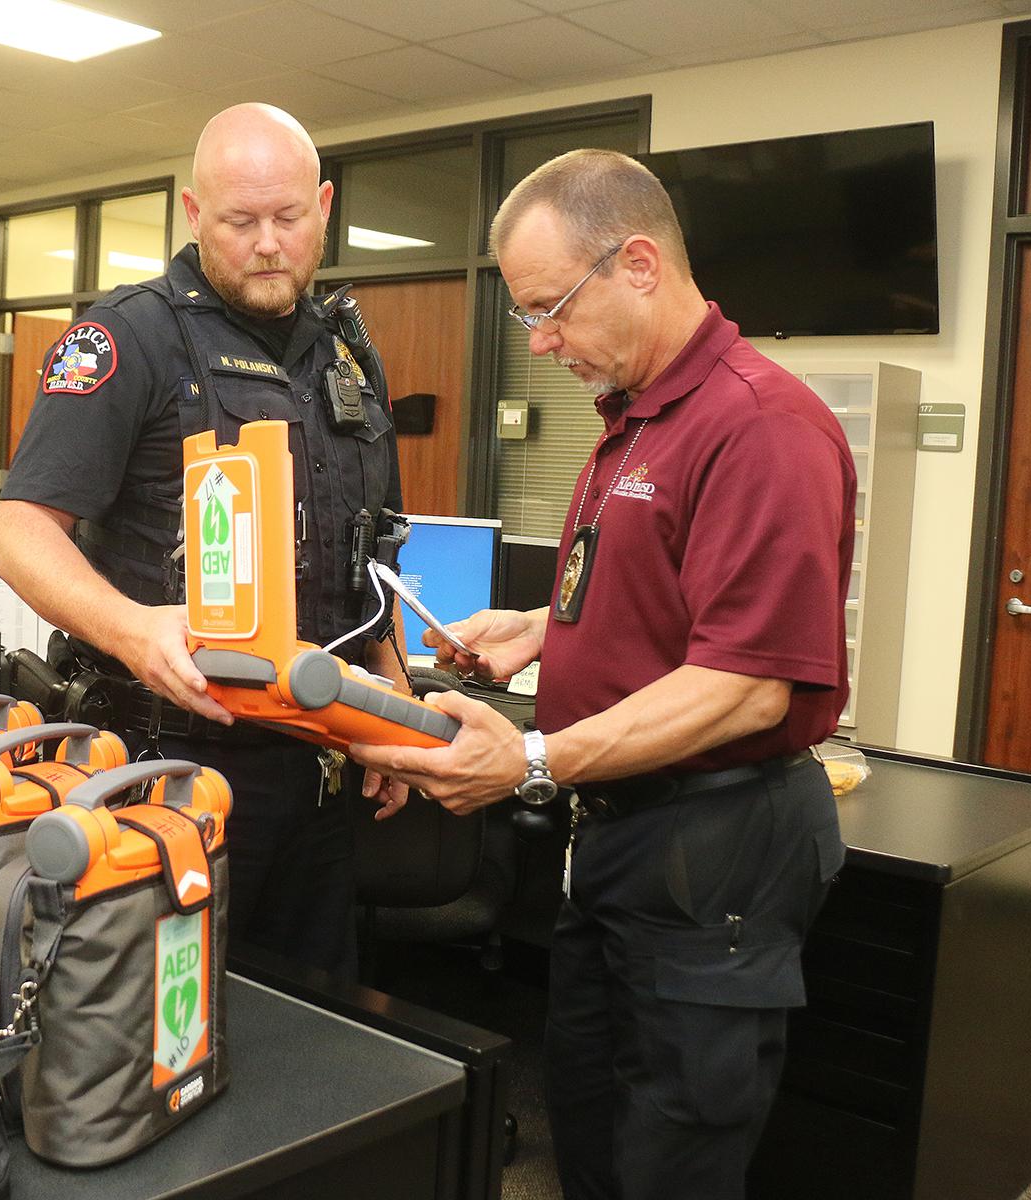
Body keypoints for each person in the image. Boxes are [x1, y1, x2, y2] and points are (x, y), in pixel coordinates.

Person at [348, 149, 854, 1199]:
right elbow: (665, 592)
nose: (539, 343)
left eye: (551, 309)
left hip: (715, 848)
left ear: (637, 264)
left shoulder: (757, 425)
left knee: (670, 1156)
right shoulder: (635, 420)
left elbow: (749, 682)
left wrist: (533, 757)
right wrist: (542, 627)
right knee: (590, 1126)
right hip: (621, 841)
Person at [0, 103, 412, 978]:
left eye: (289, 219)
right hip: (173, 765)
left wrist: (395, 705)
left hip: (321, 763)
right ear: (192, 213)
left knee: (314, 1035)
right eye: (239, 221)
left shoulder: (349, 357)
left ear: (324, 207)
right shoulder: (128, 336)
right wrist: (133, 629)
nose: (267, 244)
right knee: (165, 1036)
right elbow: (18, 533)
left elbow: (371, 557)